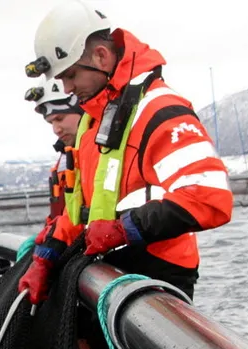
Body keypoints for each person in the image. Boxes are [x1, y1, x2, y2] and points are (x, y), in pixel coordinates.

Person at [18, 0, 233, 304]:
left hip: (155, 284)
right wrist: (45, 257)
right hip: (106, 276)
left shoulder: (160, 110)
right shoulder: (92, 120)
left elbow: (209, 198)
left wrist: (123, 230)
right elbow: (79, 208)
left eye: (70, 76)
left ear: (101, 56)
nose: (66, 88)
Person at [25, 78, 84, 226]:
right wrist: (48, 234)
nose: (56, 130)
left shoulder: (102, 151)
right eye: (51, 122)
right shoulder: (66, 157)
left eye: (60, 118)